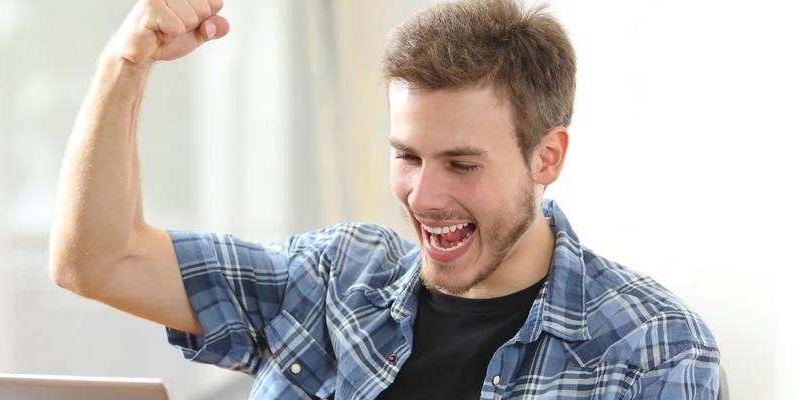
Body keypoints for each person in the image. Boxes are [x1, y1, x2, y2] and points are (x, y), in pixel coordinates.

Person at [48, 0, 721, 398]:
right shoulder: (333, 279)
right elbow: (97, 260)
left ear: (547, 157)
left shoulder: (651, 349)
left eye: (461, 164)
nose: (423, 195)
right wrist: (124, 67)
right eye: (407, 156)